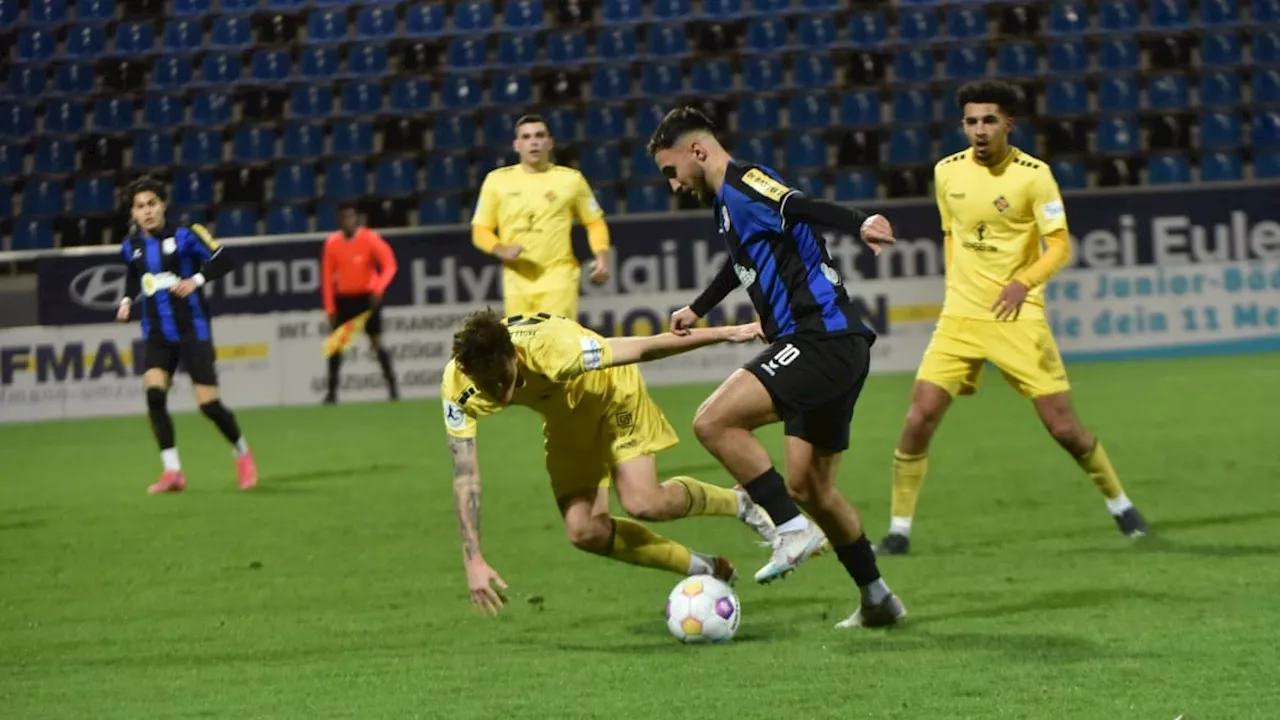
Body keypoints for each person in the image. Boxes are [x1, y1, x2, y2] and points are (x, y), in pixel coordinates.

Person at [646, 107, 905, 629]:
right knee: (814, 489)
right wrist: (699, 307)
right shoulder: (727, 204)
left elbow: (798, 206)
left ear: (697, 151)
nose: (672, 185)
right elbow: (742, 259)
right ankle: (877, 597)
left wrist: (860, 223)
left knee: (712, 422)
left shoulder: (744, 182)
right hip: (838, 346)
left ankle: (788, 528)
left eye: (671, 171)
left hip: (820, 339)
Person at [875, 80, 1149, 557]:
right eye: (971, 121)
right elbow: (950, 234)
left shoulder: (1034, 176)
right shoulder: (945, 172)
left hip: (1017, 317)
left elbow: (1061, 245)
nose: (979, 130)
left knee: (1063, 427)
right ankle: (898, 529)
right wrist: (955, 290)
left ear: (1008, 124)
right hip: (960, 317)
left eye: (989, 120)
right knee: (918, 417)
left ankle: (1120, 503)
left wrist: (1024, 282)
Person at [443, 309, 779, 615]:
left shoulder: (558, 351)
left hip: (614, 396)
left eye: (504, 377)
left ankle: (741, 503)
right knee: (584, 530)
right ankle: (705, 569)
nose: (500, 391)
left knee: (644, 502)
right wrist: (472, 559)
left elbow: (645, 348)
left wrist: (730, 333)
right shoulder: (457, 387)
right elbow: (465, 476)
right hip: (566, 418)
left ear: (515, 355)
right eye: (487, 385)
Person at [114, 176, 257, 494]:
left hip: (193, 330)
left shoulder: (187, 234)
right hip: (157, 333)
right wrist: (126, 301)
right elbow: (133, 275)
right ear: (133, 213)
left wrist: (196, 280)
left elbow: (224, 260)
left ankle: (243, 452)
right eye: (140, 207)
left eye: (152, 203)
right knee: (154, 394)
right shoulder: (131, 247)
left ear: (163, 204)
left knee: (208, 405)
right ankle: (173, 472)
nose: (147, 211)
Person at [470, 114, 611, 322]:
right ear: (516, 145)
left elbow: (594, 222)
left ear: (550, 142)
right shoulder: (497, 181)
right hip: (516, 281)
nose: (533, 142)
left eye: (539, 135)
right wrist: (502, 249)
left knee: (555, 343)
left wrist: (602, 257)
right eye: (526, 137)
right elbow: (480, 230)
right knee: (522, 348)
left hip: (559, 278)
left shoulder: (571, 180)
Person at [320, 202, 399, 404]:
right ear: (339, 221)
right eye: (344, 217)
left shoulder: (369, 239)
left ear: (356, 218)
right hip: (345, 299)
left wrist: (379, 288)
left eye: (350, 217)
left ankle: (393, 389)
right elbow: (327, 278)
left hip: (367, 298)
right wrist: (330, 307)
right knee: (337, 346)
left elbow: (390, 264)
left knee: (376, 343)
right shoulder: (332, 244)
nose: (348, 221)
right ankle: (331, 393)